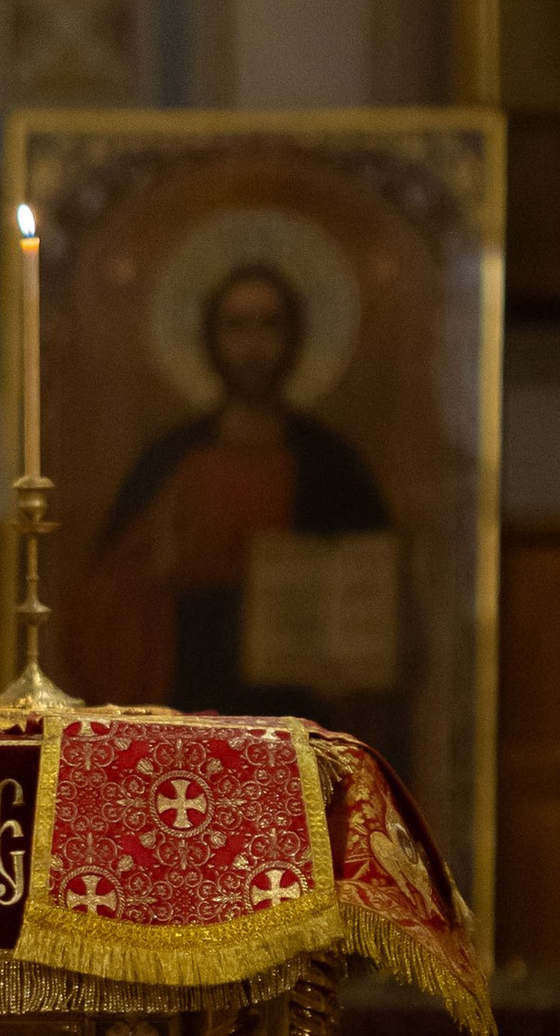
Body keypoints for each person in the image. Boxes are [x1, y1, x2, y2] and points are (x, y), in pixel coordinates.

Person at [66, 260, 395, 728]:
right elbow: (102, 599)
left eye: (269, 325)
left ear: (294, 338)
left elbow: (374, 601)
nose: (253, 345)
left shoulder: (331, 465)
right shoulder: (172, 459)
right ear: (211, 339)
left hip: (302, 713)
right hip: (192, 698)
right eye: (236, 326)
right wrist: (160, 572)